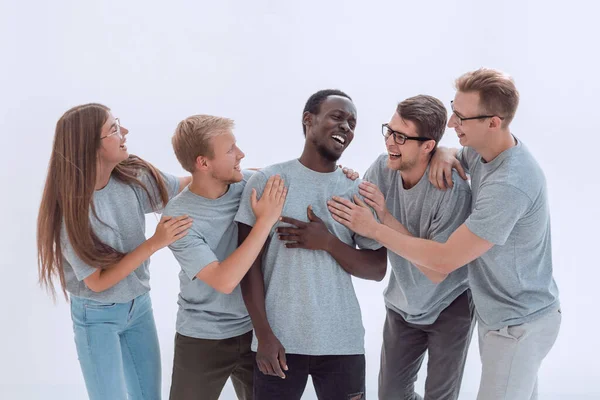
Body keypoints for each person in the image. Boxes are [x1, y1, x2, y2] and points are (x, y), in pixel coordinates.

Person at [328, 69, 561, 400]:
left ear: (493, 122)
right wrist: (444, 151)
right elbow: (449, 150)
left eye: (462, 117)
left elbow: (442, 264)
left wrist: (377, 224)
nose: (453, 122)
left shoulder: (509, 184)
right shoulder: (482, 154)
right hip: (496, 314)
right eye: (454, 109)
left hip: (518, 323)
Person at [235, 89, 387, 400]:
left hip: (342, 343)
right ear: (309, 120)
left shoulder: (355, 191)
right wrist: (263, 334)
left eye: (352, 123)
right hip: (278, 342)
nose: (346, 127)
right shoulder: (268, 180)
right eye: (337, 117)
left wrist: (328, 242)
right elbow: (246, 265)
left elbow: (377, 269)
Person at [37, 103, 192, 400]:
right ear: (90, 146)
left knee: (149, 396)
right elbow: (97, 282)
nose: (124, 132)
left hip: (139, 306)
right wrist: (154, 243)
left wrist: (251, 174)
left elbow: (182, 186)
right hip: (97, 316)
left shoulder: (131, 175)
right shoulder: (71, 212)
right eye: (113, 128)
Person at [164, 115, 287, 400]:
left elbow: (302, 178)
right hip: (202, 337)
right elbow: (224, 280)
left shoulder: (249, 185)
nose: (241, 154)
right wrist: (264, 222)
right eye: (230, 149)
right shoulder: (178, 218)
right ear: (203, 163)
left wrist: (343, 173)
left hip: (253, 330)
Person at [360, 95, 474, 400]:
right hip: (402, 304)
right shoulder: (383, 169)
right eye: (389, 131)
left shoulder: (451, 189)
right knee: (391, 395)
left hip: (450, 305)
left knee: (440, 396)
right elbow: (364, 234)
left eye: (401, 137)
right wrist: (344, 181)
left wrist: (382, 218)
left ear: (427, 145)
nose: (389, 143)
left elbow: (437, 269)